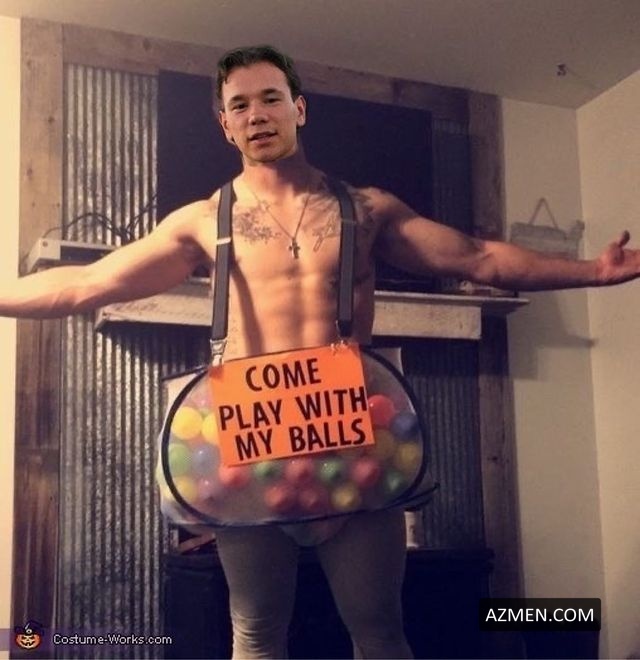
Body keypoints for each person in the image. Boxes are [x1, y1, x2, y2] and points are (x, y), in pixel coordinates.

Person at [2, 44, 639, 659]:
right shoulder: (202, 221)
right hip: (247, 452)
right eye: (240, 105)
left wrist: (593, 272)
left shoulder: (367, 210)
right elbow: (88, 282)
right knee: (255, 638)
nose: (257, 115)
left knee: (380, 633)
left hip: (351, 445)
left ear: (299, 108)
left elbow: (479, 257)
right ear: (225, 124)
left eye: (271, 98)